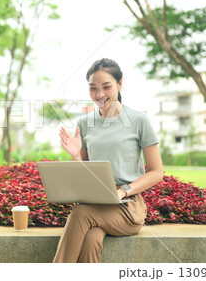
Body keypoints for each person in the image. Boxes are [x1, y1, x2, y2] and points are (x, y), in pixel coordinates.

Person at [53, 58, 164, 263]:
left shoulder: (139, 121)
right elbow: (85, 173)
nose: (99, 94)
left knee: (80, 213)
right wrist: (76, 156)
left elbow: (157, 172)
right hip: (96, 203)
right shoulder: (85, 123)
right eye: (93, 88)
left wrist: (123, 190)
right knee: (92, 237)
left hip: (128, 206)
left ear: (120, 84)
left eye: (106, 87)